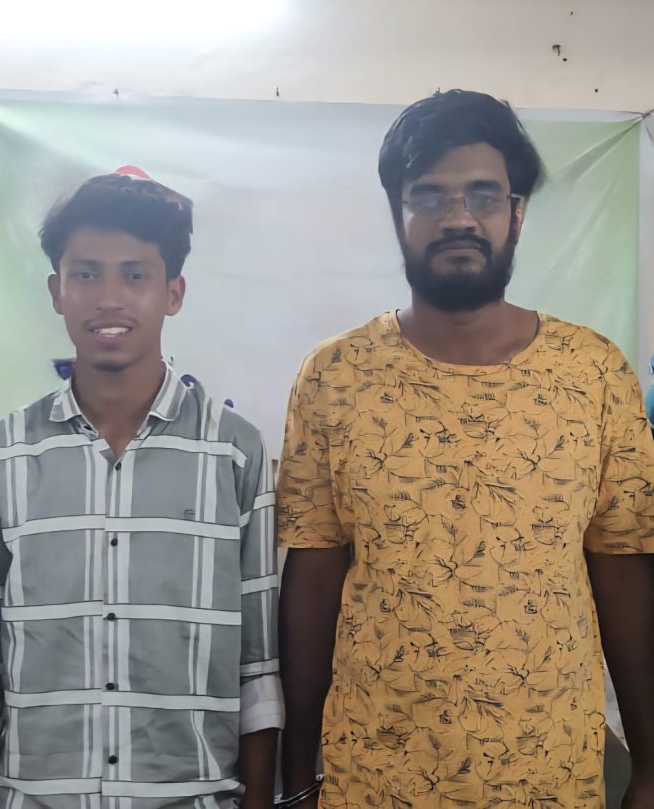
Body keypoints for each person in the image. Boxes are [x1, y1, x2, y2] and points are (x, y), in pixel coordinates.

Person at [277, 91, 654, 808]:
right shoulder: (334, 374)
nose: (458, 218)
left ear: (517, 212)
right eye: (429, 196)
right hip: (374, 781)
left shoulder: (594, 372)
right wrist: (296, 777)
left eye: (483, 195)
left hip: (551, 777)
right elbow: (313, 581)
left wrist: (650, 766)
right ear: (397, 212)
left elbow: (624, 572)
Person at [0, 169, 282, 809]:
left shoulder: (234, 453)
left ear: (173, 293)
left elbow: (258, 669)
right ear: (56, 291)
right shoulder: (1, 456)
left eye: (135, 275)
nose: (109, 298)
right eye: (86, 274)